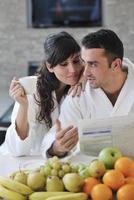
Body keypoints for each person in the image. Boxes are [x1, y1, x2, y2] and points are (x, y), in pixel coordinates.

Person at [41, 29, 134, 159]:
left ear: (116, 64)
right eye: (84, 63)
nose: (84, 73)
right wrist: (58, 147)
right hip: (92, 173)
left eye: (93, 64)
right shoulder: (79, 94)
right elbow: (56, 136)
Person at [0, 31, 83, 156]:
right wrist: (23, 105)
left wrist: (83, 78)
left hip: (56, 160)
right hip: (20, 161)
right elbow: (18, 150)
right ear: (50, 66)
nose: (73, 70)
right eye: (63, 64)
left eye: (76, 61)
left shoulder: (80, 86)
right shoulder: (31, 88)